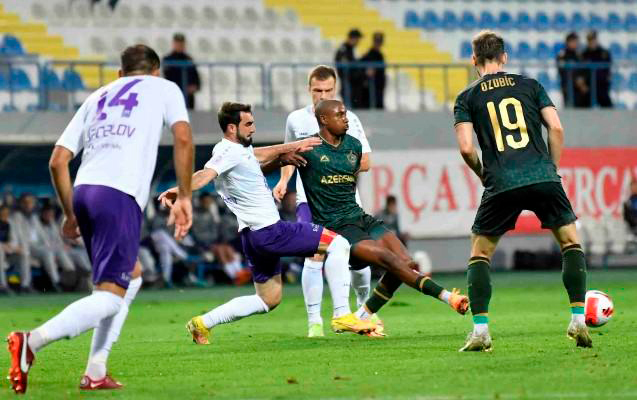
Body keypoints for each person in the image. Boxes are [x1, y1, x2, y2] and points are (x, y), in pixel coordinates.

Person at [6, 44, 194, 394]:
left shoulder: (97, 96)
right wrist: (184, 196)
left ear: (120, 74)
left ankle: (95, 369)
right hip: (118, 194)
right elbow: (183, 137)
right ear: (156, 71)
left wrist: (69, 213)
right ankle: (31, 341)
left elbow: (58, 160)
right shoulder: (165, 87)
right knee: (110, 297)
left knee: (130, 276)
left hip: (85, 191)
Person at [159, 102, 376, 345]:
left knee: (268, 299)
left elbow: (260, 155)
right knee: (339, 244)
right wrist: (180, 190)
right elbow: (204, 175)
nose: (253, 128)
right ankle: (342, 315)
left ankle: (202, 323)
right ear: (232, 128)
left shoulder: (238, 151)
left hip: (251, 237)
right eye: (248, 124)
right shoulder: (227, 152)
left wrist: (288, 151)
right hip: (271, 231)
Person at [453, 31, 592, 351]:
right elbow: (556, 127)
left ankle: (481, 331)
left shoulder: (467, 97)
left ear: (474, 59)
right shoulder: (530, 85)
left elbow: (466, 148)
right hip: (542, 176)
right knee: (570, 242)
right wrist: (550, 169)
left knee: (480, 254)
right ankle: (578, 319)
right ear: (504, 57)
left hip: (501, 181)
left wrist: (483, 173)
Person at [297, 99, 469, 338]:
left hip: (360, 216)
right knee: (390, 260)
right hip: (337, 226)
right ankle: (448, 297)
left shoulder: (354, 145)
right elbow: (276, 160)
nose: (346, 119)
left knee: (406, 262)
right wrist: (281, 182)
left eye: (346, 113)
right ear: (324, 119)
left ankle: (362, 316)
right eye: (340, 115)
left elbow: (351, 180)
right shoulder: (308, 148)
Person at [272, 65, 375, 337]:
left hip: (345, 201)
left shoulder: (348, 118)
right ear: (309, 90)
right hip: (309, 200)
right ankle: (314, 322)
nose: (323, 95)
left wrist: (333, 170)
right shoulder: (296, 120)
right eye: (317, 90)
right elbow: (289, 156)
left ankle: (364, 309)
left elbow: (365, 161)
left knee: (360, 256)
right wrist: (283, 181)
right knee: (314, 253)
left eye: (328, 90)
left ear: (335, 89)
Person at [12, 194, 68, 292]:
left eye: (31, 202)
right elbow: (19, 235)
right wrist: (23, 248)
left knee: (53, 251)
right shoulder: (17, 216)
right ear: (21, 204)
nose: (28, 205)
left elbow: (41, 234)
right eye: (26, 202)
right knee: (42, 253)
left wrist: (48, 246)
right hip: (26, 246)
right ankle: (28, 285)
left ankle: (62, 280)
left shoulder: (34, 217)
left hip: (37, 246)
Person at [163, 33, 201, 110]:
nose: (180, 45)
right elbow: (168, 77)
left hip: (188, 97)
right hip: (174, 96)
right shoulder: (167, 59)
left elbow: (195, 77)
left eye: (181, 43)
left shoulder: (189, 59)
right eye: (177, 43)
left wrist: (194, 86)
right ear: (174, 44)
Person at [556, 32, 589, 108]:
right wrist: (576, 80)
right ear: (568, 42)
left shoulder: (579, 55)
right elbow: (563, 71)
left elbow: (584, 70)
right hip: (569, 87)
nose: (575, 44)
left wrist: (582, 81)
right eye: (573, 41)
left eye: (576, 41)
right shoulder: (562, 55)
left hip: (580, 89)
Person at [582, 31, 612, 108]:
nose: (592, 42)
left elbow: (608, 70)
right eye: (590, 40)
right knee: (584, 108)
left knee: (608, 108)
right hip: (589, 86)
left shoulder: (604, 53)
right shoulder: (584, 54)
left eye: (593, 39)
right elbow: (582, 71)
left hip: (601, 86)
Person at [334, 29, 363, 109]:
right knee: (350, 108)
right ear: (353, 38)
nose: (358, 42)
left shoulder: (350, 49)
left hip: (351, 84)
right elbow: (343, 67)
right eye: (357, 39)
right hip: (348, 83)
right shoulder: (344, 49)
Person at [0, 205, 22, 295]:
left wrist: (13, 247)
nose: (5, 215)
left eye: (7, 213)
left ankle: (24, 285)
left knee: (23, 253)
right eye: (3, 213)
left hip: (7, 252)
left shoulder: (9, 224)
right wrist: (3, 246)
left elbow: (13, 239)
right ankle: (3, 285)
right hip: (2, 251)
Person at [360, 32, 386, 109]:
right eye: (377, 41)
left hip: (378, 86)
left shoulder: (379, 54)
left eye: (380, 41)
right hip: (371, 88)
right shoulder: (369, 54)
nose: (378, 43)